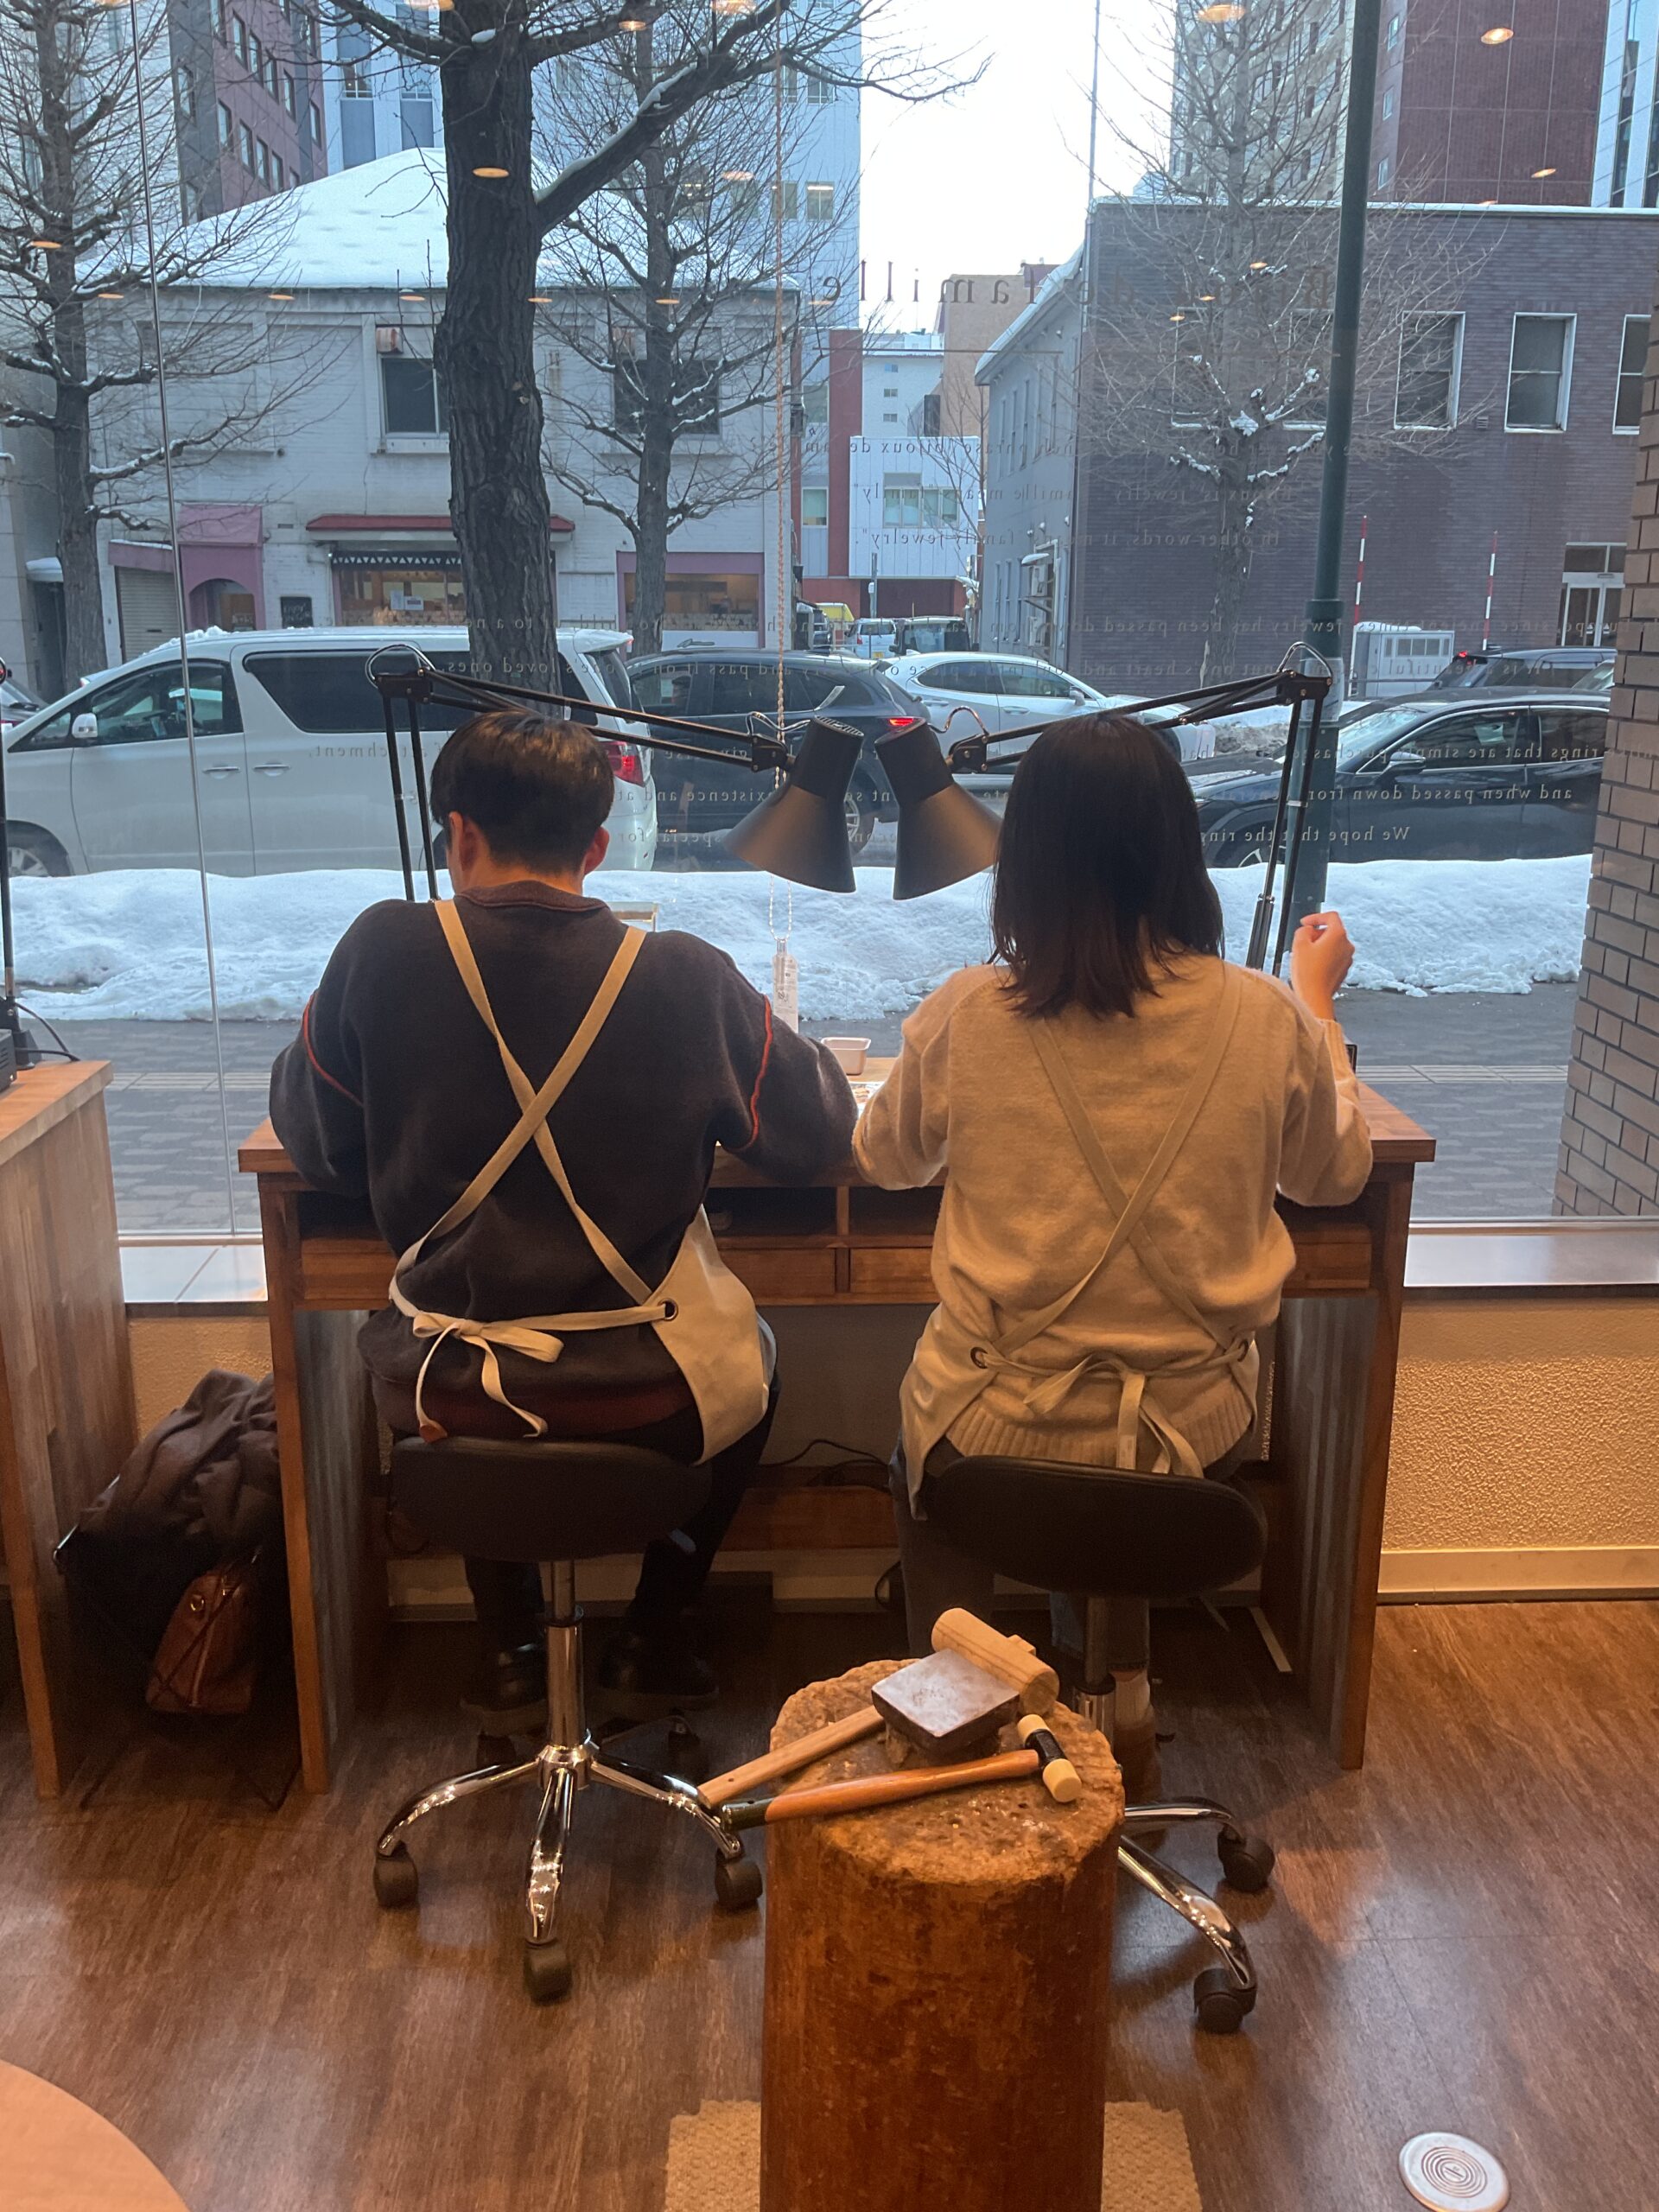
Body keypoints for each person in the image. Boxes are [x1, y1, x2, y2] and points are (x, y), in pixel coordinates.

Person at [271, 709, 855, 1729]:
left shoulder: (381, 950)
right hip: (642, 1391)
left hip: (441, 1390)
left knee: (458, 1364)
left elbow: (315, 1143)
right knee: (755, 1365)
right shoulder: (682, 974)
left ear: (458, 835)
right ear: (597, 846)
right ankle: (655, 1634)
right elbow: (816, 1135)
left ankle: (507, 1648)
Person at [853, 713, 1373, 1792]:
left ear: (1025, 861)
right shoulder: (1265, 1017)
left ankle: (948, 1728)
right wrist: (1318, 1006)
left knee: (933, 1452)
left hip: (993, 1430)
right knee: (1121, 1474)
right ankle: (1117, 1712)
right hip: (1190, 1438)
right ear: (1177, 850)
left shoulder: (968, 1012)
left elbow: (883, 1159)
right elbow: (1335, 1177)